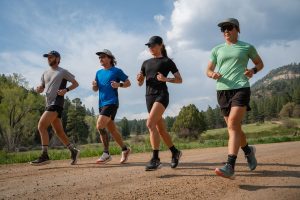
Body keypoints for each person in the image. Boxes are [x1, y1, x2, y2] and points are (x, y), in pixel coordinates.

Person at [206, 18, 264, 179]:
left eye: (229, 28)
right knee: (234, 127)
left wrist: (253, 71)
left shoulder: (247, 47)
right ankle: (248, 150)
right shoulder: (217, 50)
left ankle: (230, 165)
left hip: (241, 88)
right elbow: (208, 70)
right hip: (222, 90)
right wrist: (213, 74)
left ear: (237, 29)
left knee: (232, 124)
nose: (225, 31)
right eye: (223, 29)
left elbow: (260, 63)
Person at [137, 36, 183, 171]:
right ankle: (175, 152)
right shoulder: (145, 63)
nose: (150, 48)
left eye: (153, 45)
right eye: (149, 46)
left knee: (150, 124)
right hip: (149, 97)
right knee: (161, 130)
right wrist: (139, 79)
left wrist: (165, 79)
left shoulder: (167, 62)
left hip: (161, 95)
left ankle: (155, 159)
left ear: (160, 45)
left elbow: (179, 80)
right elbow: (140, 83)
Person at [30, 50, 80, 166]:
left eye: (51, 57)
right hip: (48, 103)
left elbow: (76, 83)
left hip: (57, 102)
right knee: (59, 132)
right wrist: (39, 89)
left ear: (57, 59)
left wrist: (66, 90)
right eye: (48, 57)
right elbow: (42, 87)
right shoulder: (45, 73)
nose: (49, 59)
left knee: (41, 126)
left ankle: (45, 155)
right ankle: (73, 151)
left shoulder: (62, 72)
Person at [92, 49, 131, 164]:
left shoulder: (116, 71)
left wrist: (119, 84)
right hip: (101, 103)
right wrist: (94, 85)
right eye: (99, 57)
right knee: (112, 130)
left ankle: (106, 153)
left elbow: (128, 83)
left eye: (103, 57)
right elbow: (95, 89)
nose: (101, 59)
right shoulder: (98, 73)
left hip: (112, 102)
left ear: (110, 58)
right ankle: (125, 149)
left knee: (99, 125)